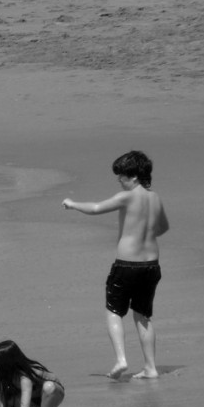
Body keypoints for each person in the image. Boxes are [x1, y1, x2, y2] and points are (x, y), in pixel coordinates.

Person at [62, 150, 170, 379]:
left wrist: (72, 204)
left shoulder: (127, 197)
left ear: (133, 177)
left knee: (113, 311)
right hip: (151, 266)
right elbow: (163, 228)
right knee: (142, 315)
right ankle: (150, 368)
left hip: (127, 266)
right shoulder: (155, 198)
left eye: (121, 176)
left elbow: (95, 209)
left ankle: (121, 360)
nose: (119, 181)